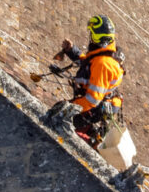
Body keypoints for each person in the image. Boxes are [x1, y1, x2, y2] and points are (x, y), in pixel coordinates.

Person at [51, 15, 124, 147]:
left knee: (60, 119)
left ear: (97, 38)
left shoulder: (103, 64)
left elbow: (92, 100)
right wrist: (72, 51)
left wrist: (70, 106)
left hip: (96, 107)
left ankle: (88, 142)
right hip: (98, 104)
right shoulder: (103, 54)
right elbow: (89, 64)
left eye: (92, 34)